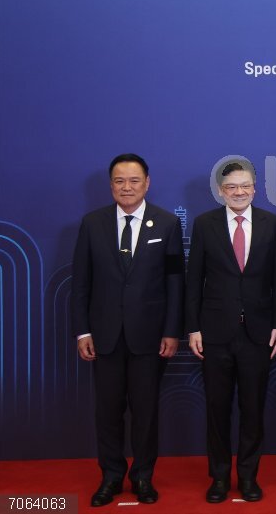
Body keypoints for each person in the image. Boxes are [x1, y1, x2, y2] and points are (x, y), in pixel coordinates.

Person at [70, 153, 184, 507]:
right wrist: (82, 332)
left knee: (145, 412)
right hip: (104, 336)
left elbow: (175, 282)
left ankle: (143, 477)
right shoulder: (93, 224)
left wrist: (172, 331)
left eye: (134, 180)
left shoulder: (166, 223)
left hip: (150, 337)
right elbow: (81, 283)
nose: (127, 187)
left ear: (147, 183)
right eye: (119, 181)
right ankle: (111, 477)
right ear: (111, 186)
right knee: (107, 412)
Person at [185, 160, 276, 503]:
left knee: (253, 409)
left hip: (258, 333)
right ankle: (219, 478)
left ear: (254, 189)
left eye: (245, 186)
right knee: (217, 409)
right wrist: (193, 327)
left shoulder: (272, 224)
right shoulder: (204, 224)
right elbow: (193, 280)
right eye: (231, 187)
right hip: (215, 333)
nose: (239, 192)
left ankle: (248, 476)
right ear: (221, 191)